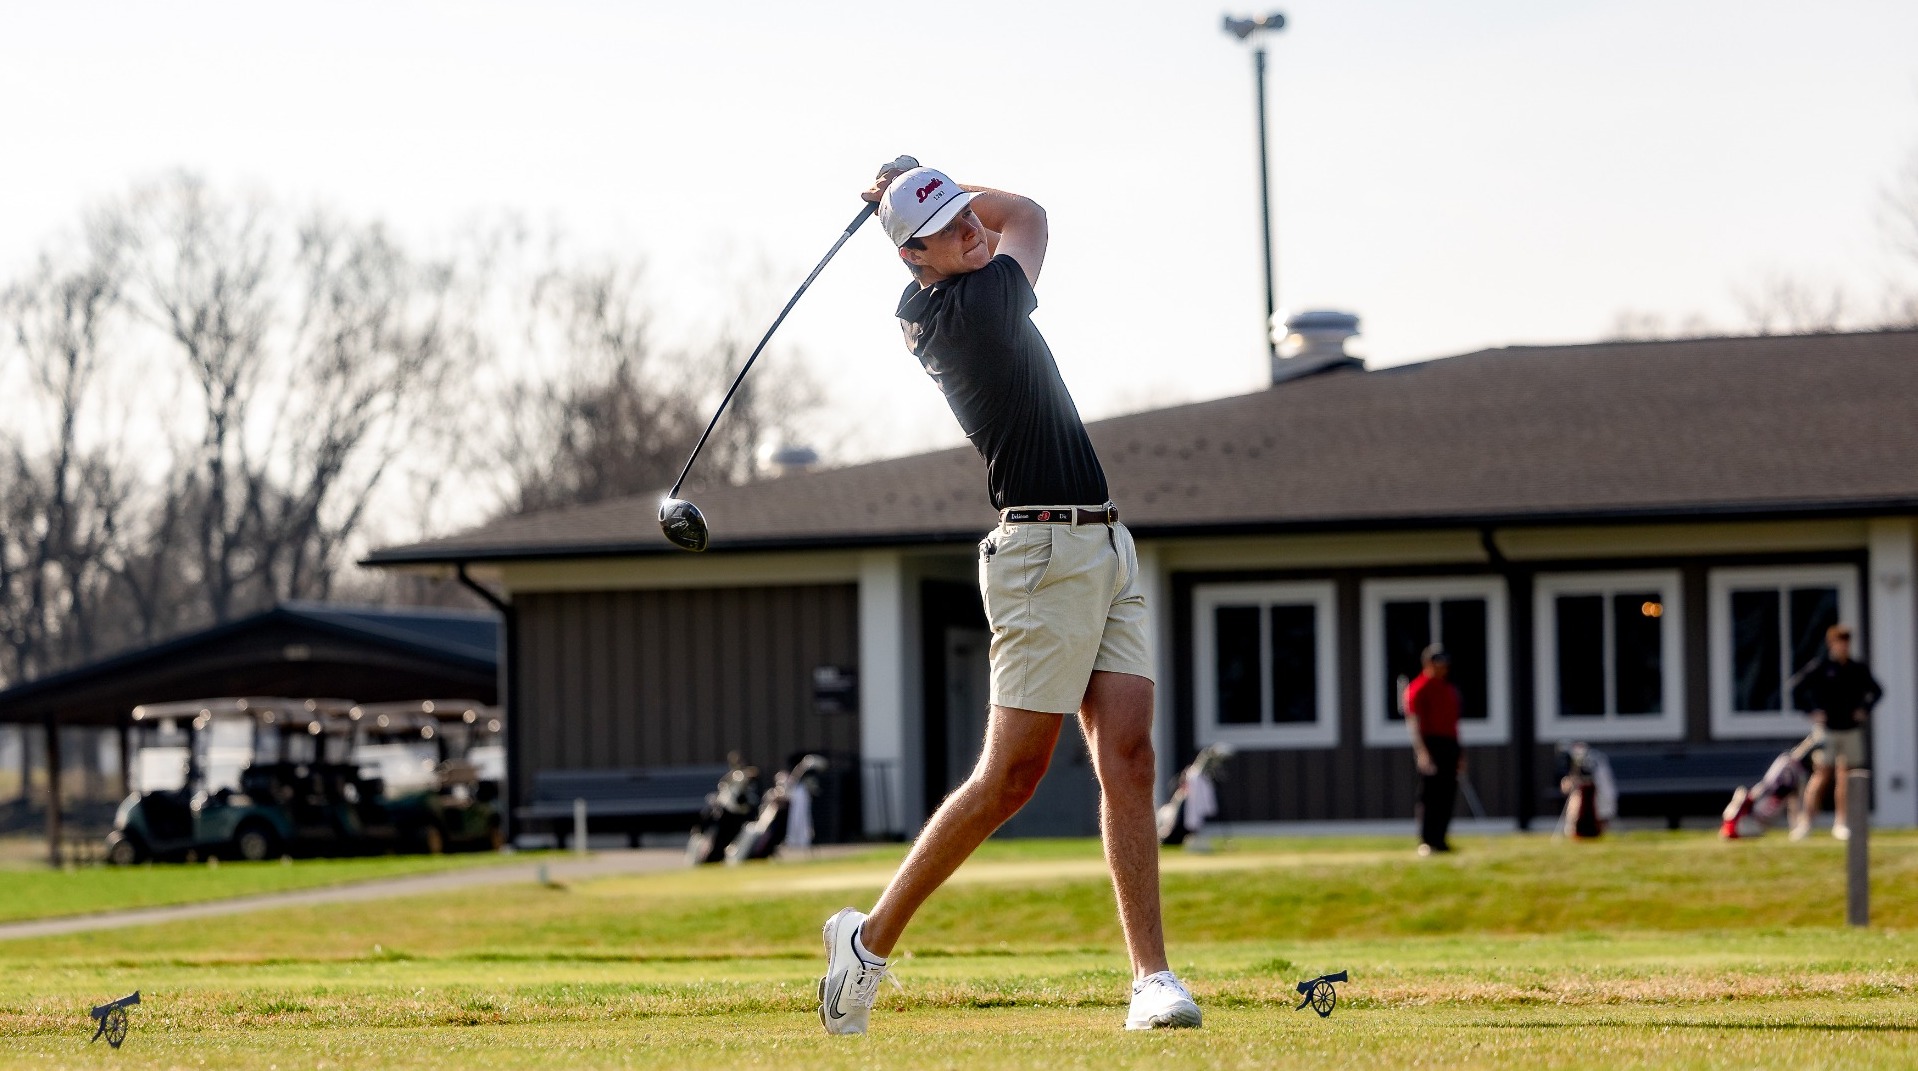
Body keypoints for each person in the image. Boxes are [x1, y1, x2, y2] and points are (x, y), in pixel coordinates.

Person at [815, 160, 1199, 1036]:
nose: (975, 231)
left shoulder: (955, 279)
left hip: (1103, 540)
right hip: (1038, 556)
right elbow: (1027, 210)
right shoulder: (971, 309)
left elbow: (1004, 218)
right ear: (919, 260)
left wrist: (922, 187)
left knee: (1130, 758)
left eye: (967, 218)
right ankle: (867, 943)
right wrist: (922, 176)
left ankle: (1152, 978)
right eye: (952, 230)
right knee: (1010, 779)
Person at [1793, 625, 1882, 841]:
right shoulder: (1822, 666)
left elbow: (1877, 691)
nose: (1843, 647)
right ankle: (1805, 822)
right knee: (1822, 774)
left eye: (1846, 643)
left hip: (1850, 729)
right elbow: (1796, 689)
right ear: (1831, 644)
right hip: (1828, 730)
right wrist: (1811, 712)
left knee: (1846, 777)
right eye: (1839, 642)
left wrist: (1864, 710)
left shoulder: (1856, 668)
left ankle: (1841, 823)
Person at [1402, 643, 1463, 855]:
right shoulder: (1418, 688)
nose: (1443, 669)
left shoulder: (1448, 689)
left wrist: (1459, 753)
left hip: (1449, 745)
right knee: (1430, 794)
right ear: (1428, 664)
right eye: (1439, 664)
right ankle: (1427, 840)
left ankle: (1441, 839)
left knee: (1448, 793)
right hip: (1430, 743)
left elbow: (1453, 724)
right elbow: (1414, 722)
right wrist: (1422, 752)